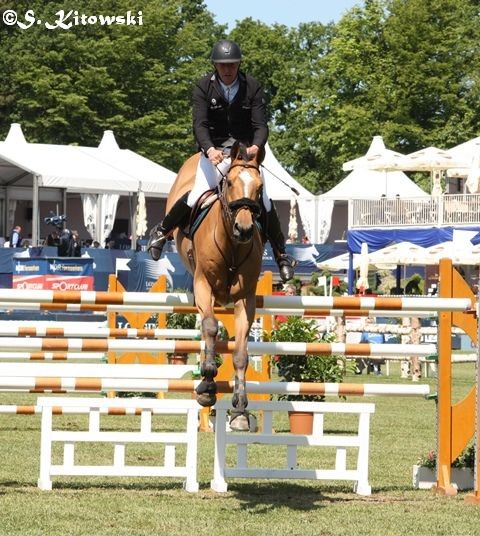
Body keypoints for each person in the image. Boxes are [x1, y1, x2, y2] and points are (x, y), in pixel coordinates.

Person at [147, 39, 296, 282]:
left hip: (244, 157)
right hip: (214, 154)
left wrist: (257, 147)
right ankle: (162, 232)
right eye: (223, 65)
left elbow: (261, 125)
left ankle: (281, 255)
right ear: (216, 65)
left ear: (238, 64)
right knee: (196, 194)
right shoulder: (204, 86)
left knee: (265, 202)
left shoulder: (252, 87)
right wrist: (209, 150)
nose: (228, 70)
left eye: (232, 65)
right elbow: (200, 124)